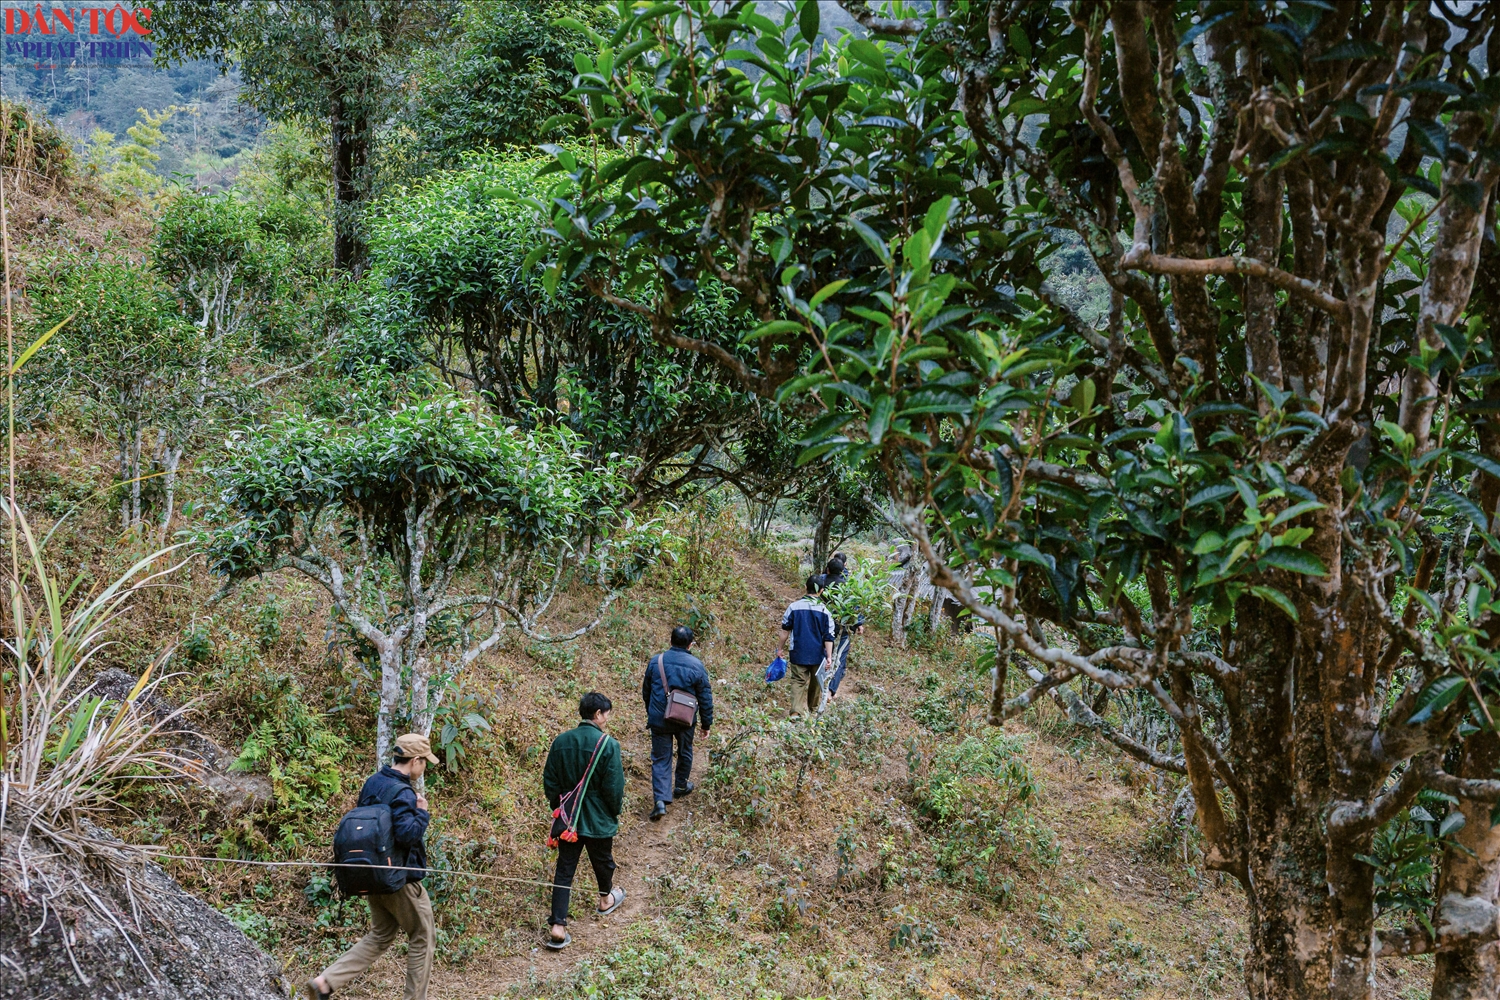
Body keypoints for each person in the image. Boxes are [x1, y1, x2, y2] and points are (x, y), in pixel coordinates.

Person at [306, 734, 437, 1000]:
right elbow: (406, 835)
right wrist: (422, 813)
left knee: (380, 935)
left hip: (372, 874)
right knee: (423, 937)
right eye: (425, 762)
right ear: (415, 760)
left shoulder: (373, 782)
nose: (425, 768)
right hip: (399, 880)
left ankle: (325, 983)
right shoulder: (403, 793)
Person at [541, 692, 626, 950]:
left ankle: (558, 926)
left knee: (565, 869)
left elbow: (550, 781)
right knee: (603, 861)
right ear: (597, 714)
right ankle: (605, 899)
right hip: (598, 817)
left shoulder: (561, 741)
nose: (607, 719)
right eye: (606, 714)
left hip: (569, 820)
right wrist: (613, 812)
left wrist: (561, 807)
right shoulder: (608, 745)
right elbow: (614, 788)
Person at [641, 625, 714, 821]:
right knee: (685, 750)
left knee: (660, 758)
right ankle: (681, 785)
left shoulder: (656, 661)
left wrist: (653, 712)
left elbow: (646, 691)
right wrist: (706, 724)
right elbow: (705, 698)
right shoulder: (697, 666)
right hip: (685, 718)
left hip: (659, 719)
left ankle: (660, 800)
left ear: (670, 641)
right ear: (690, 645)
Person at [776, 575, 836, 719]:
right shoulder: (825, 611)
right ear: (821, 591)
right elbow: (829, 637)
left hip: (798, 652)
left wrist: (780, 648)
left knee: (798, 681)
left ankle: (795, 712)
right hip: (818, 655)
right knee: (816, 683)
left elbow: (785, 631)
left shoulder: (793, 607)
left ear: (805, 587)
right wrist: (829, 656)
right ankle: (813, 711)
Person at [818, 553, 866, 710]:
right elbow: (854, 607)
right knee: (839, 658)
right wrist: (858, 624)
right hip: (841, 627)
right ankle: (830, 691)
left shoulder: (820, 582)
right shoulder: (847, 586)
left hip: (821, 624)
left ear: (828, 569)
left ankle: (819, 685)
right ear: (843, 569)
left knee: (823, 654)